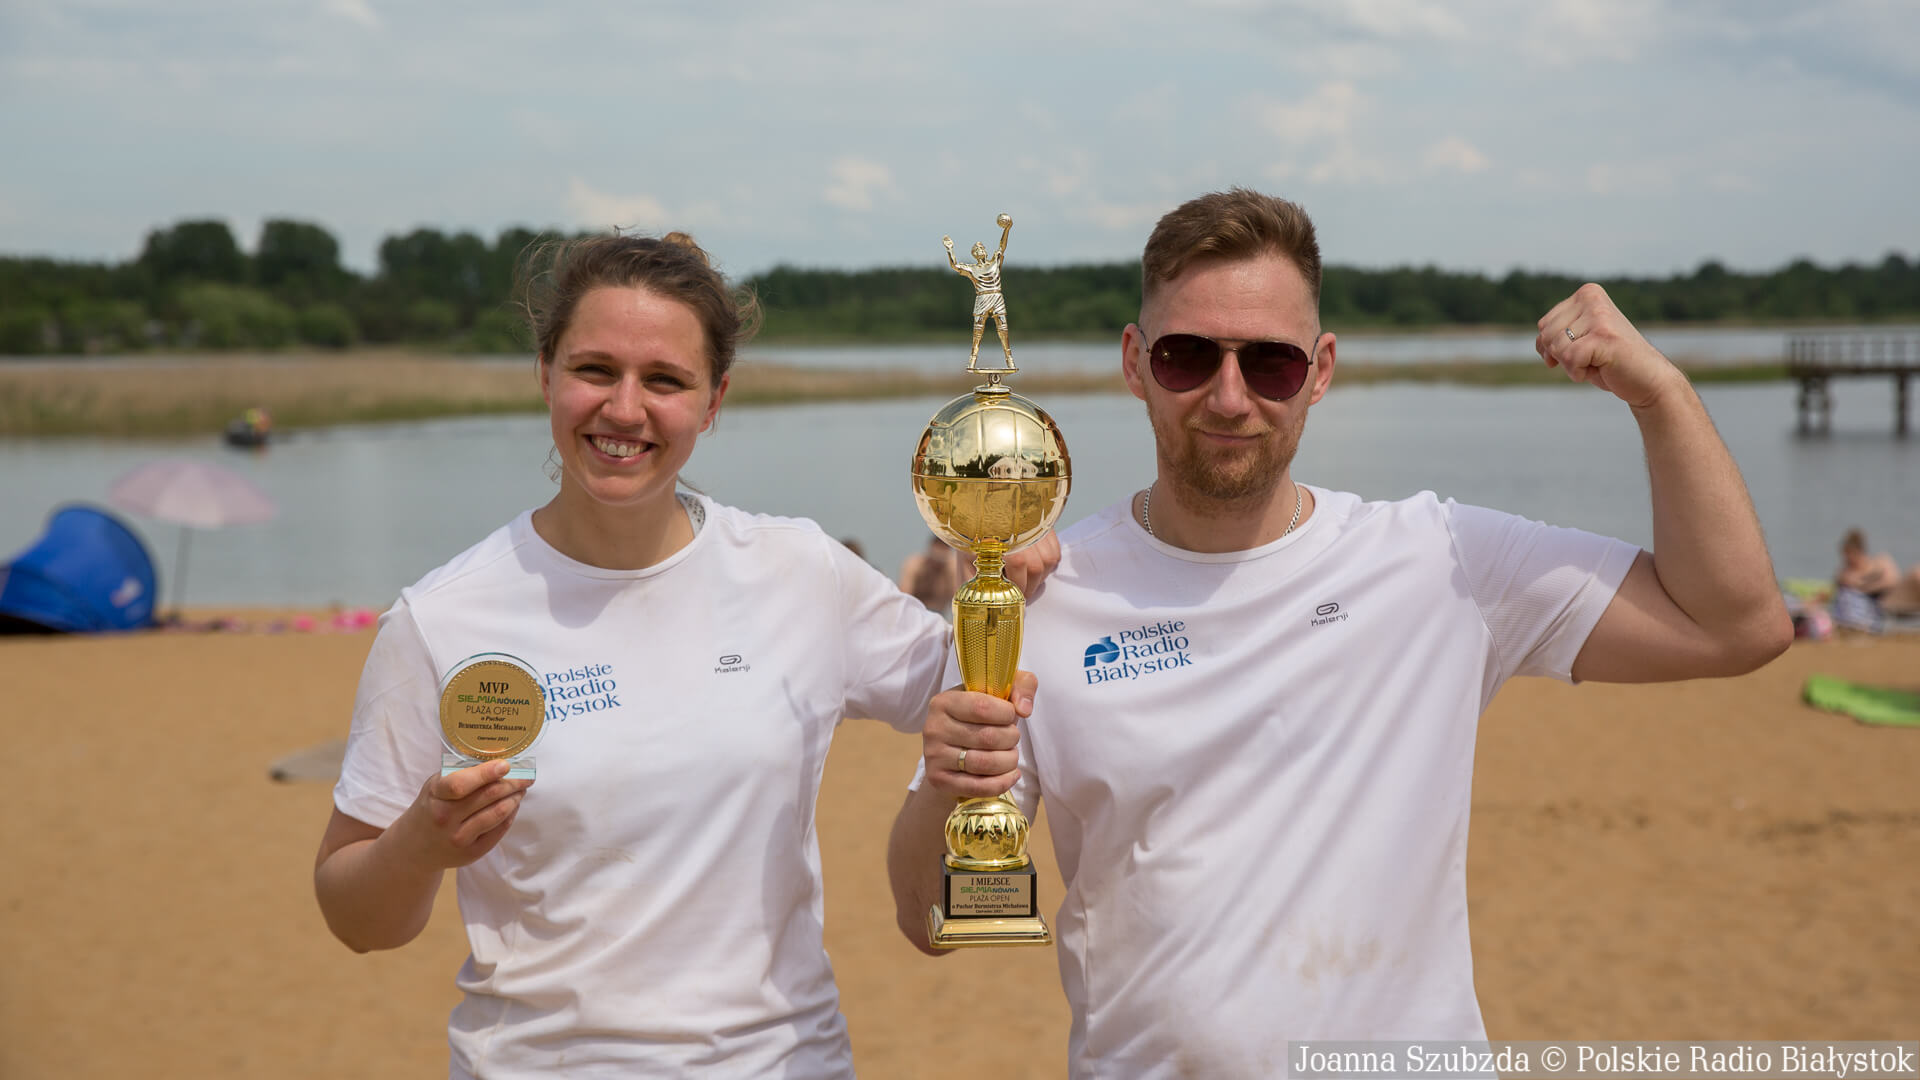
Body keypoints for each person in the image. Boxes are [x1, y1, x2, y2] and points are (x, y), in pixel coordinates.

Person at [888, 189, 1792, 1077]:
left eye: (1271, 364)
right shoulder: (1044, 596)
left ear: (1321, 370)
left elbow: (1737, 626)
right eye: (1187, 355)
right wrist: (946, 778)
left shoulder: (1442, 562)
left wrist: (1660, 395)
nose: (1230, 397)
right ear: (1135, 362)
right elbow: (927, 919)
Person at [312, 231, 1055, 1078]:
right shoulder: (442, 616)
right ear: (545, 374)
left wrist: (1016, 563)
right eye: (595, 370)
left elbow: (983, 691)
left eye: (664, 380)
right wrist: (419, 846)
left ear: (713, 401)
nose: (625, 410)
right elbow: (355, 916)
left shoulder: (799, 572)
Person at [943, 213, 1013, 369]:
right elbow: (955, 266)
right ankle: (973, 360)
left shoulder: (995, 261)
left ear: (985, 252)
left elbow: (1002, 246)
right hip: (981, 298)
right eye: (977, 249)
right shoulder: (972, 269)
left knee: (1003, 328)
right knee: (978, 330)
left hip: (996, 296)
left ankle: (1009, 359)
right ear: (974, 254)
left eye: (982, 248)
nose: (980, 250)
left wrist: (1007, 229)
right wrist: (949, 249)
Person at [1835, 527, 1920, 615]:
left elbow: (1892, 580)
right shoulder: (1846, 573)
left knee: (1917, 571)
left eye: (1848, 555)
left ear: (1858, 552)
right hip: (1885, 604)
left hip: (1897, 594)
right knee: (1917, 575)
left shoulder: (1881, 560)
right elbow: (1888, 581)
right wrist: (1876, 582)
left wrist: (1865, 585)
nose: (1847, 560)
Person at [897, 533, 960, 613]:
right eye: (936, 559)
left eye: (941, 561)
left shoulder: (952, 568)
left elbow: (958, 601)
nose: (937, 565)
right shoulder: (914, 565)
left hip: (939, 615)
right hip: (915, 613)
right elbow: (904, 597)